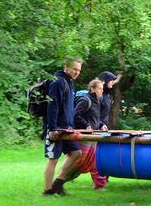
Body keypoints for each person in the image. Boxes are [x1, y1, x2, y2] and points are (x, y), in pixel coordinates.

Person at [42, 59, 82, 196]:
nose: (77, 72)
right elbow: (52, 106)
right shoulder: (58, 82)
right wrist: (52, 128)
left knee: (76, 152)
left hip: (67, 128)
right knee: (53, 159)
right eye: (74, 69)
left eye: (79, 70)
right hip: (55, 128)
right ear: (66, 67)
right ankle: (47, 191)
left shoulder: (69, 83)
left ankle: (57, 183)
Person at [69, 79, 108, 189]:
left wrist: (101, 125)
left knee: (96, 162)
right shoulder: (85, 100)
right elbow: (75, 115)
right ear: (92, 88)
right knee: (78, 163)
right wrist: (86, 125)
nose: (101, 91)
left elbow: (94, 118)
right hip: (84, 137)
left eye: (102, 89)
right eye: (99, 89)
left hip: (94, 137)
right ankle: (61, 180)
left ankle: (99, 186)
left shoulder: (97, 101)